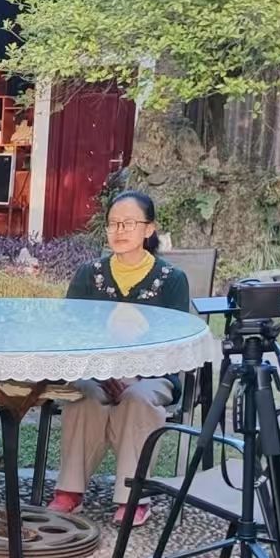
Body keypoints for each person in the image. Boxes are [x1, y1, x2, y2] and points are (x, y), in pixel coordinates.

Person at [48, 189, 192, 526]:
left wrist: (133, 376)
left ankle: (133, 496)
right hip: (96, 372)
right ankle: (69, 492)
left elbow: (172, 343)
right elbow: (72, 333)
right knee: (83, 395)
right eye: (113, 223)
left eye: (129, 223)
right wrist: (102, 372)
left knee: (137, 399)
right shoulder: (89, 275)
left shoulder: (172, 280)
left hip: (152, 375)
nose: (119, 230)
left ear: (149, 229)